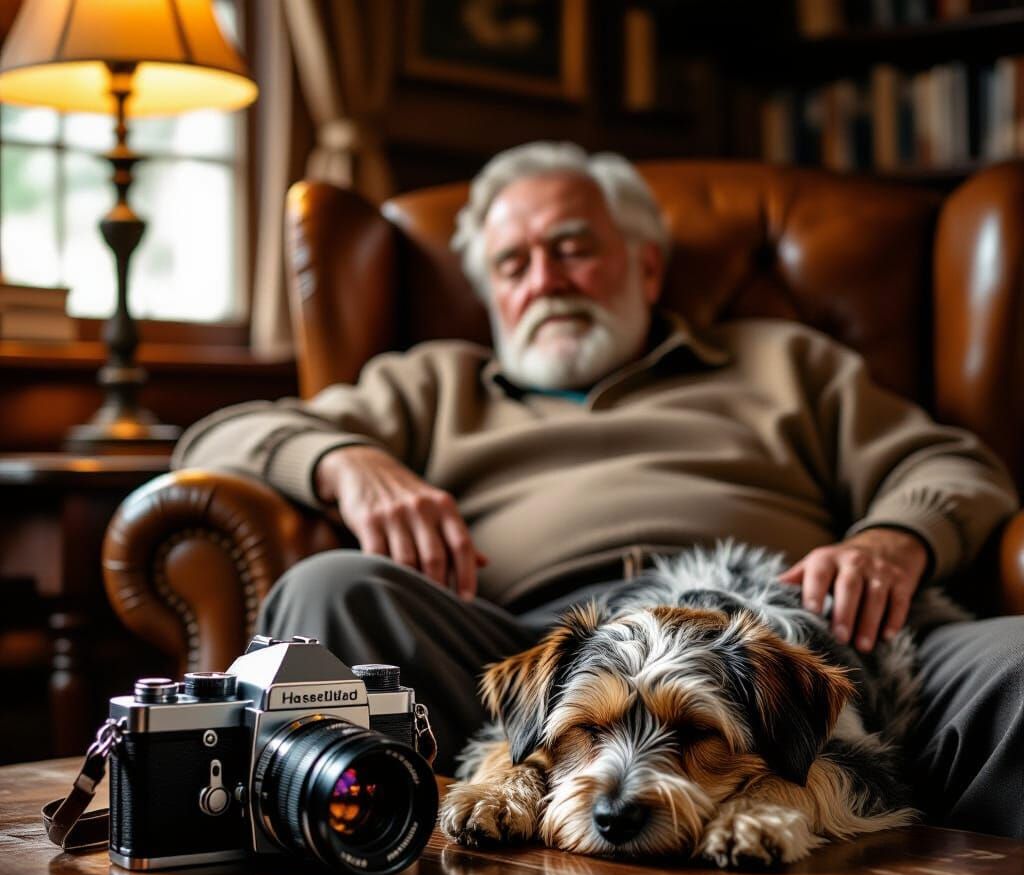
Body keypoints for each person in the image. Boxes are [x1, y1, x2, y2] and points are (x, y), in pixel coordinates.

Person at [174, 142, 1021, 836]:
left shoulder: (785, 361)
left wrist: (893, 538)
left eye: (573, 247)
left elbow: (955, 464)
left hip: (790, 639)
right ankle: (356, 865)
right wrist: (346, 464)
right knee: (326, 589)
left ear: (647, 267)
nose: (544, 279)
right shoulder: (431, 383)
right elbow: (216, 436)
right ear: (492, 293)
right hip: (524, 639)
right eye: (513, 263)